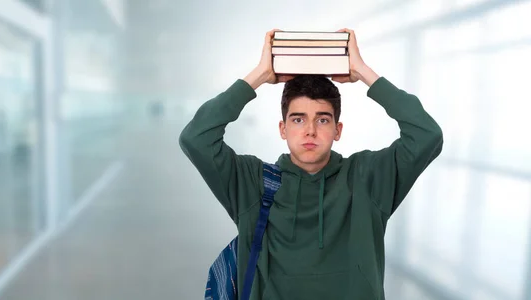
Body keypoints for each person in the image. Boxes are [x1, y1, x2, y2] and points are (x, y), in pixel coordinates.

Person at [179, 28, 443, 300]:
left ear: (337, 130)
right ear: (282, 128)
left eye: (322, 119)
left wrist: (364, 72)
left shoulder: (368, 177)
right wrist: (258, 75)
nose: (310, 130)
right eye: (298, 119)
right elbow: (196, 138)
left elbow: (426, 135)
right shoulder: (252, 182)